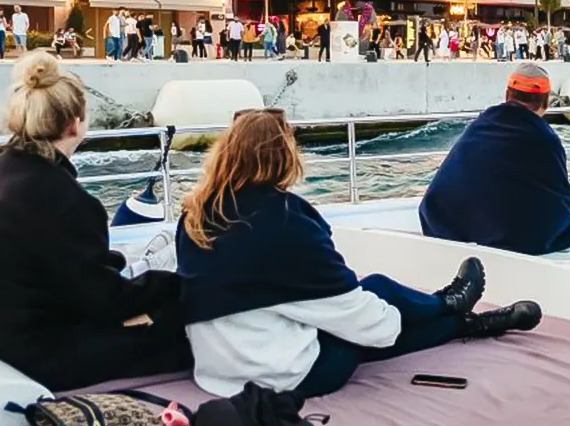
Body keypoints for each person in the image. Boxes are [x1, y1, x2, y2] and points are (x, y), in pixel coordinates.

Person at [176, 109, 542, 398]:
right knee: (376, 304)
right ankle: (456, 313)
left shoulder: (196, 216)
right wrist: (398, 317)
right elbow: (371, 327)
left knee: (370, 300)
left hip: (218, 371)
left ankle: (451, 305)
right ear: (286, 156)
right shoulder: (287, 223)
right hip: (282, 377)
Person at [0, 51, 191, 391]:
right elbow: (103, 302)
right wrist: (174, 284)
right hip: (7, 352)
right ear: (75, 123)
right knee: (166, 329)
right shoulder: (66, 198)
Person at [420, 63, 570, 255]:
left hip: (451, 230)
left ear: (507, 95)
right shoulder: (545, 139)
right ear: (545, 102)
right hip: (512, 241)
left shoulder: (480, 125)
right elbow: (558, 201)